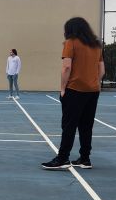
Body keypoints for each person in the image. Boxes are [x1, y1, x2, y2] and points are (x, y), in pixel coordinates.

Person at [42, 17, 104, 170]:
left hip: (75, 89)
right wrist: (93, 82)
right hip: (93, 91)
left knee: (69, 125)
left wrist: (63, 88)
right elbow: (101, 70)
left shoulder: (71, 43)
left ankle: (63, 158)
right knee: (86, 126)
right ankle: (85, 158)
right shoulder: (96, 46)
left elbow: (66, 68)